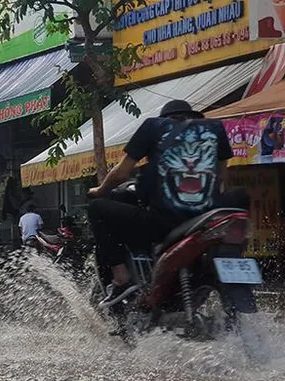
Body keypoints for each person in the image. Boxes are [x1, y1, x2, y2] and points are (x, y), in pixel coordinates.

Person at [87, 99, 239, 309]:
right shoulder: (215, 128)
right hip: (204, 221)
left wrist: (100, 190)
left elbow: (122, 172)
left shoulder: (154, 126)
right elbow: (223, 177)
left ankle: (121, 280)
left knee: (97, 208)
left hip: (165, 223)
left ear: (166, 118)